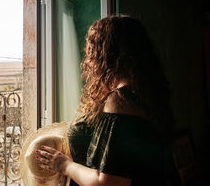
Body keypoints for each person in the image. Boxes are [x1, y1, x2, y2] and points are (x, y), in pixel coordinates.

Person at [36, 15, 174, 186]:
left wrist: (64, 166)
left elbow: (108, 181)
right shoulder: (144, 93)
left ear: (108, 54)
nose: (89, 59)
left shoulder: (121, 102)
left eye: (92, 50)